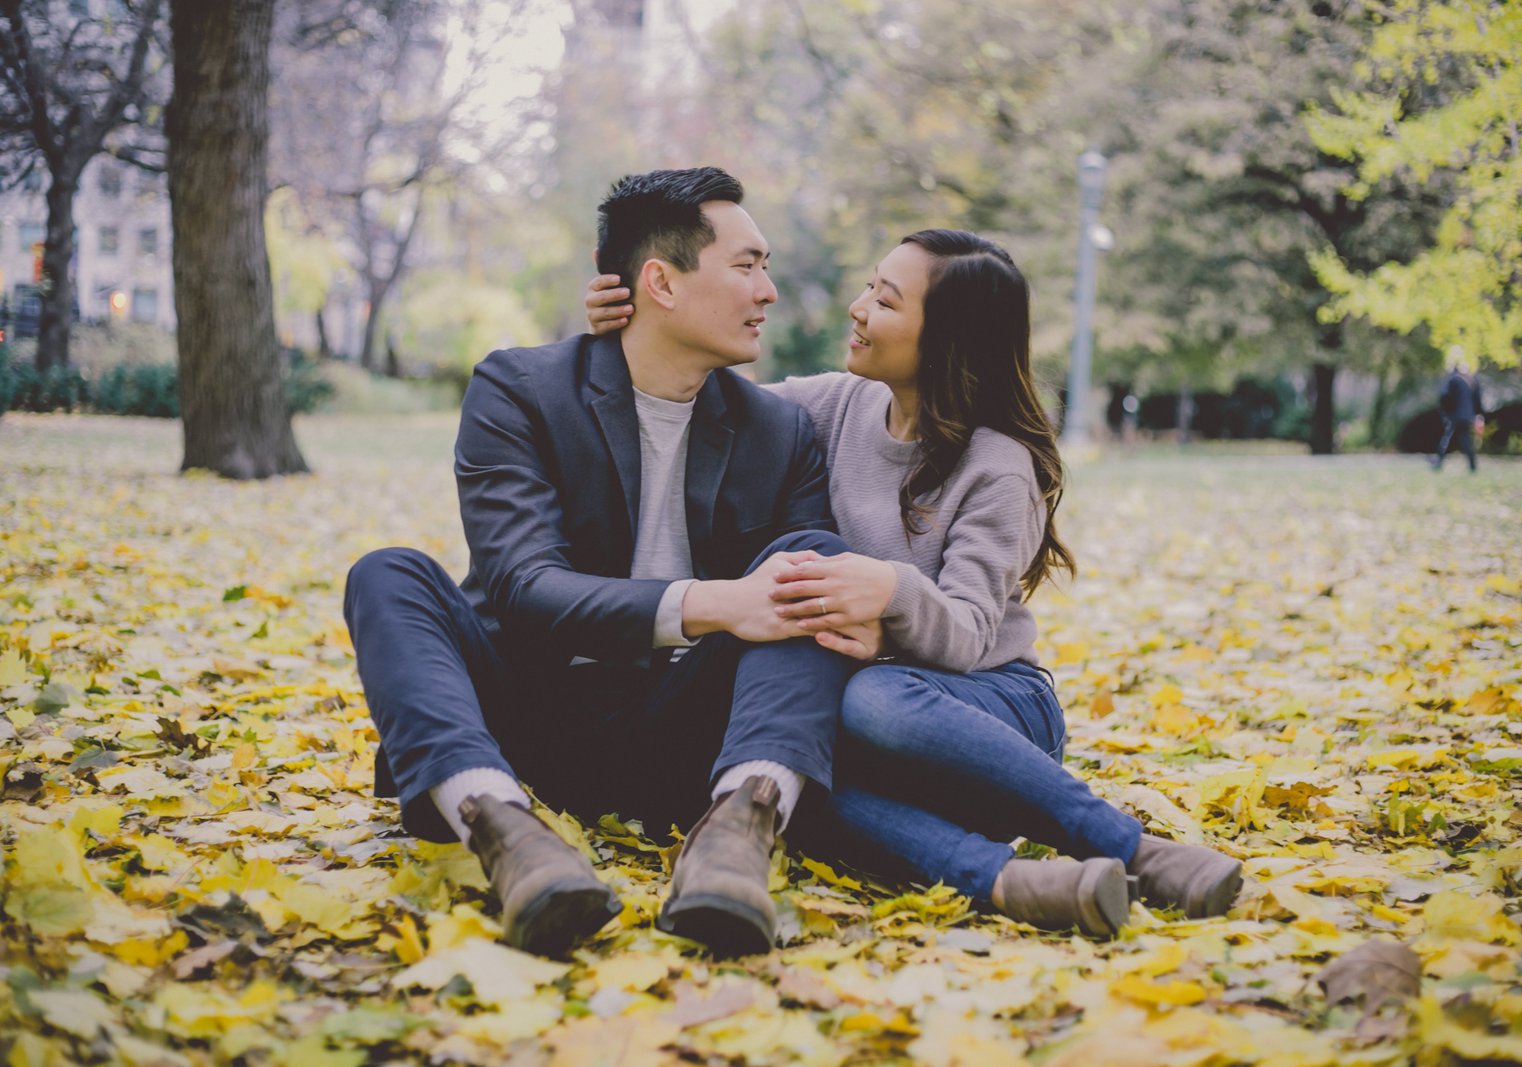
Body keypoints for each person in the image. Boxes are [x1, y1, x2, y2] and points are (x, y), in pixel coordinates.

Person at [585, 230, 1242, 936]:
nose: (858, 308)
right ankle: (1013, 883)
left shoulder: (997, 464)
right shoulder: (835, 406)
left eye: (885, 300)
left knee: (875, 696)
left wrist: (889, 591)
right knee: (791, 773)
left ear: (948, 338)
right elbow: (700, 399)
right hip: (867, 735)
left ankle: (1129, 844)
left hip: (989, 713)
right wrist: (635, 330)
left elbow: (968, 632)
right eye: (870, 287)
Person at [344, 167, 866, 960]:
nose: (768, 291)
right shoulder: (520, 389)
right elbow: (523, 587)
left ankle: (742, 830)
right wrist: (714, 602)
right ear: (659, 280)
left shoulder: (779, 431)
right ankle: (501, 829)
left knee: (815, 566)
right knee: (387, 572)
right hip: (522, 723)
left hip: (684, 735)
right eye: (747, 265)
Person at [1431, 351, 1484, 471]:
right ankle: (1472, 465)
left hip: (1455, 415)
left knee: (1448, 438)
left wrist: (1446, 411)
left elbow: (1444, 396)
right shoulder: (1472, 381)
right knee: (1463, 439)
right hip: (1467, 415)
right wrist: (1478, 415)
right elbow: (1477, 400)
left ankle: (1438, 463)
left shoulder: (1453, 380)